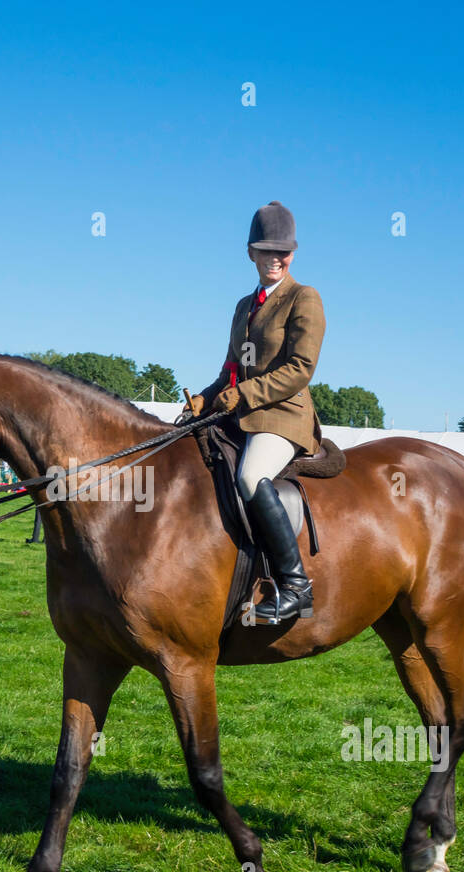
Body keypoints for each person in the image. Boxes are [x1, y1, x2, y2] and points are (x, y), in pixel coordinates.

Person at [181, 201, 327, 623]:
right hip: (242, 410)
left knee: (249, 476)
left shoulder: (304, 298)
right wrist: (205, 399)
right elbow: (230, 368)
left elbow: (300, 369)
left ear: (293, 255)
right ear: (251, 253)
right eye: (267, 251)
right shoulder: (244, 305)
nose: (276, 258)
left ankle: (295, 586)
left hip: (283, 415)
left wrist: (242, 394)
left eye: (283, 251)